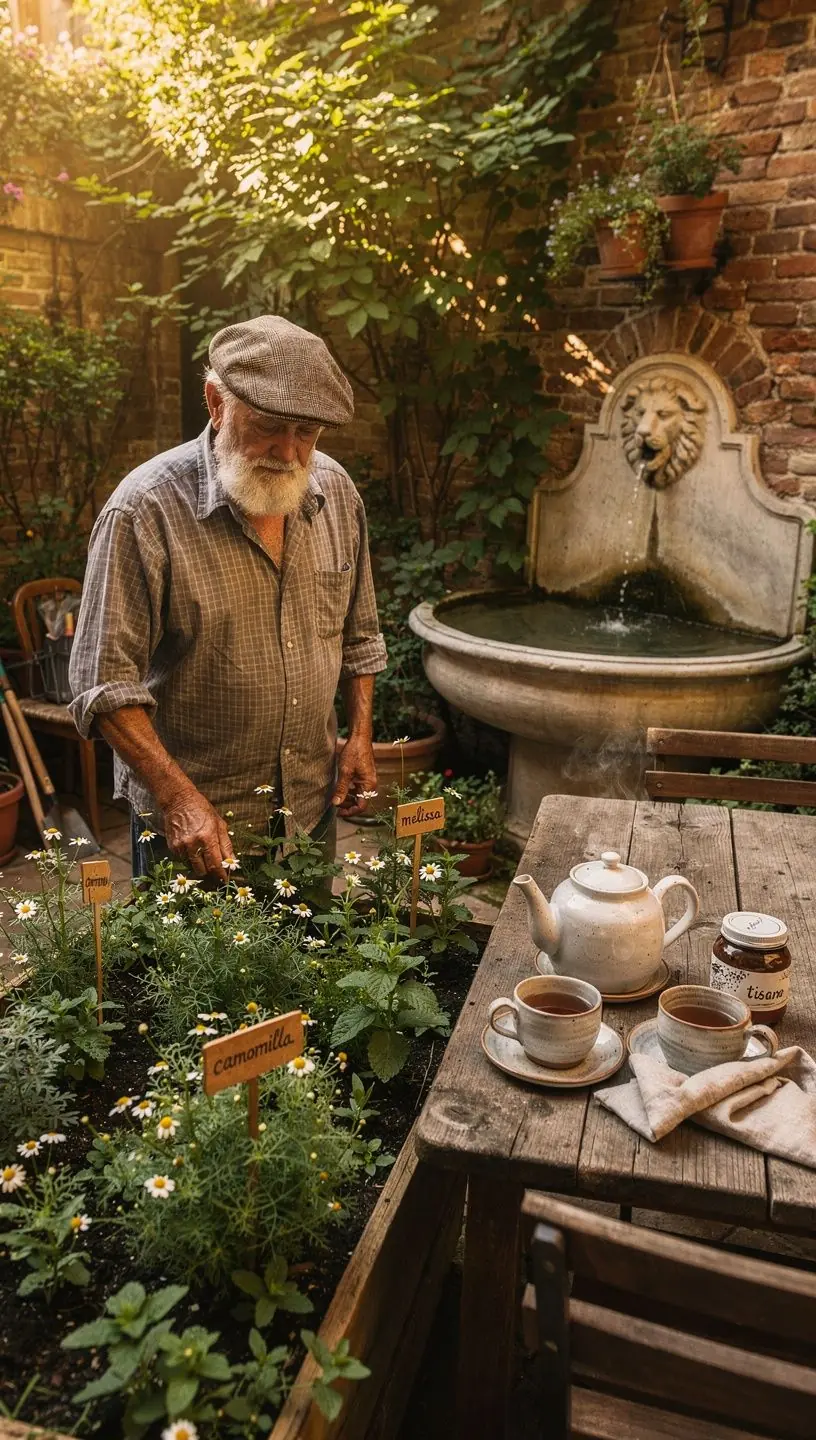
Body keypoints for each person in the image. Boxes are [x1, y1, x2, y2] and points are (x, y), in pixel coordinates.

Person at [69, 314, 387, 880]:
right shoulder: (144, 509)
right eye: (269, 425)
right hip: (197, 828)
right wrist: (177, 798)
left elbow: (360, 635)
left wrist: (359, 736)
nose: (289, 453)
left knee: (309, 963)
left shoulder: (337, 492)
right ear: (216, 403)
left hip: (310, 812)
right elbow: (103, 683)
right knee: (195, 971)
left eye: (307, 434)